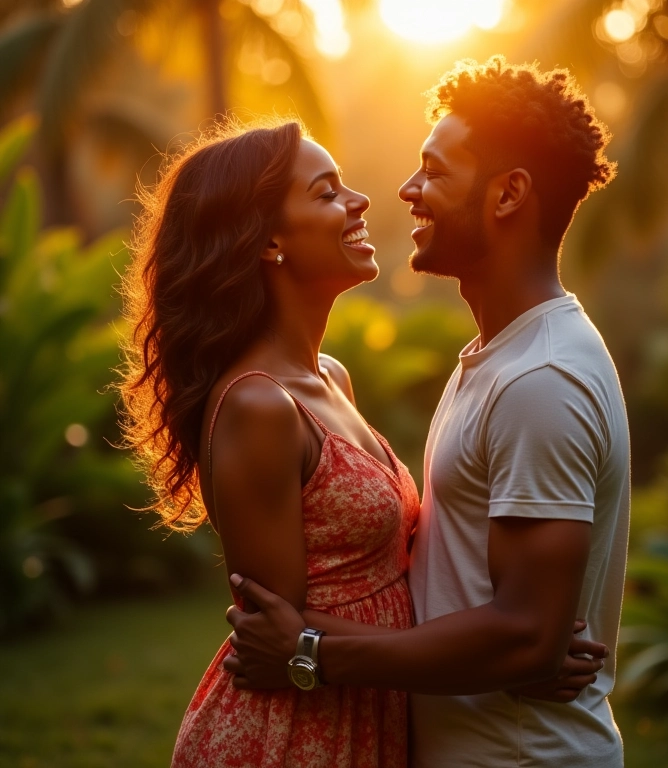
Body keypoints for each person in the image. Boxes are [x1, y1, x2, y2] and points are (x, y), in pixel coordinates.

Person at [118, 115, 604, 768]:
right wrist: (500, 656)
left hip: (366, 702)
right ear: (268, 241)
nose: (361, 202)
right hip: (298, 730)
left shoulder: (331, 379)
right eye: (325, 193)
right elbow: (276, 633)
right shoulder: (259, 406)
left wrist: (505, 650)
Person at [224, 57, 630, 768]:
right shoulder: (497, 357)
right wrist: (514, 648)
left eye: (435, 172)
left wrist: (312, 652)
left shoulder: (542, 376)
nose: (407, 191)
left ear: (508, 196)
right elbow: (500, 622)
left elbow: (526, 636)